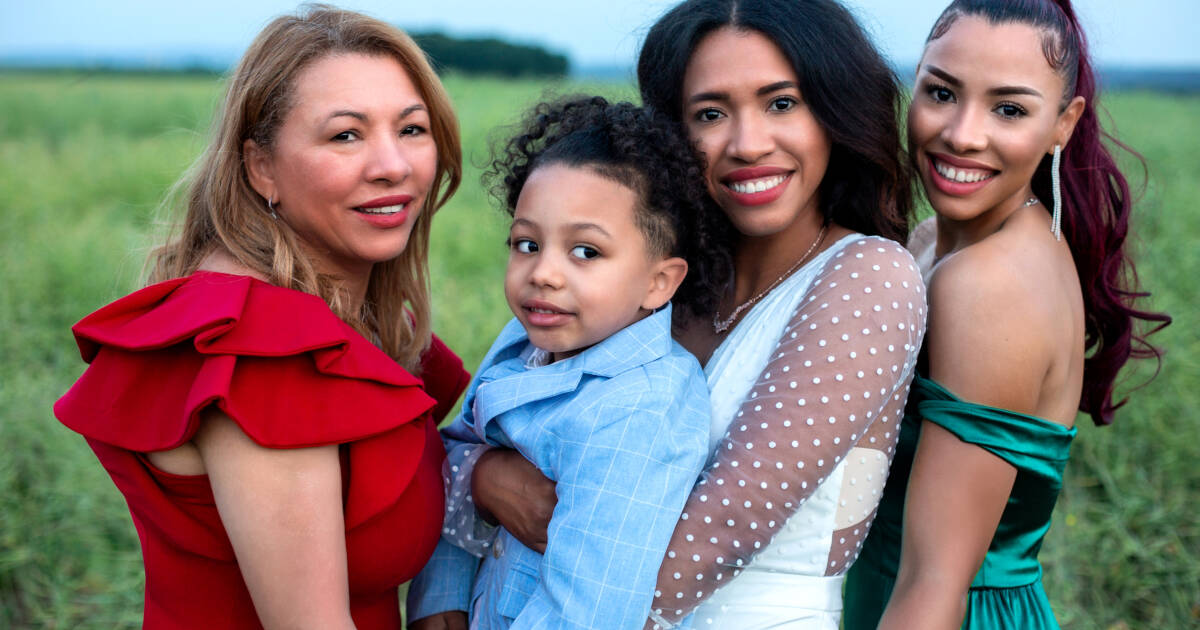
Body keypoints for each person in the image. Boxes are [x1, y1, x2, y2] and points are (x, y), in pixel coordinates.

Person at [422, 1, 928, 628]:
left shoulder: (867, 275)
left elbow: (725, 526)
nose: (748, 144)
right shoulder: (624, 270)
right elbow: (485, 421)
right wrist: (484, 476)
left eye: (781, 103)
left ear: (834, 111)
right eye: (710, 114)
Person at [53, 7, 468, 629]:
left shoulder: (340, 316)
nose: (393, 165)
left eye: (412, 129)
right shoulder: (265, 347)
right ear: (261, 167)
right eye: (345, 135)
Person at [841, 1, 1171, 629]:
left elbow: (935, 581)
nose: (963, 134)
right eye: (941, 92)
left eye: (1009, 109)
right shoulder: (930, 240)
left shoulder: (988, 285)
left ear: (1063, 124)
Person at [406, 96, 731, 629]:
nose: (544, 273)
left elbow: (590, 607)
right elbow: (458, 457)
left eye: (585, 252)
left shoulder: (642, 404)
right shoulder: (521, 342)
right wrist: (438, 603)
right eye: (527, 243)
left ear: (659, 282)